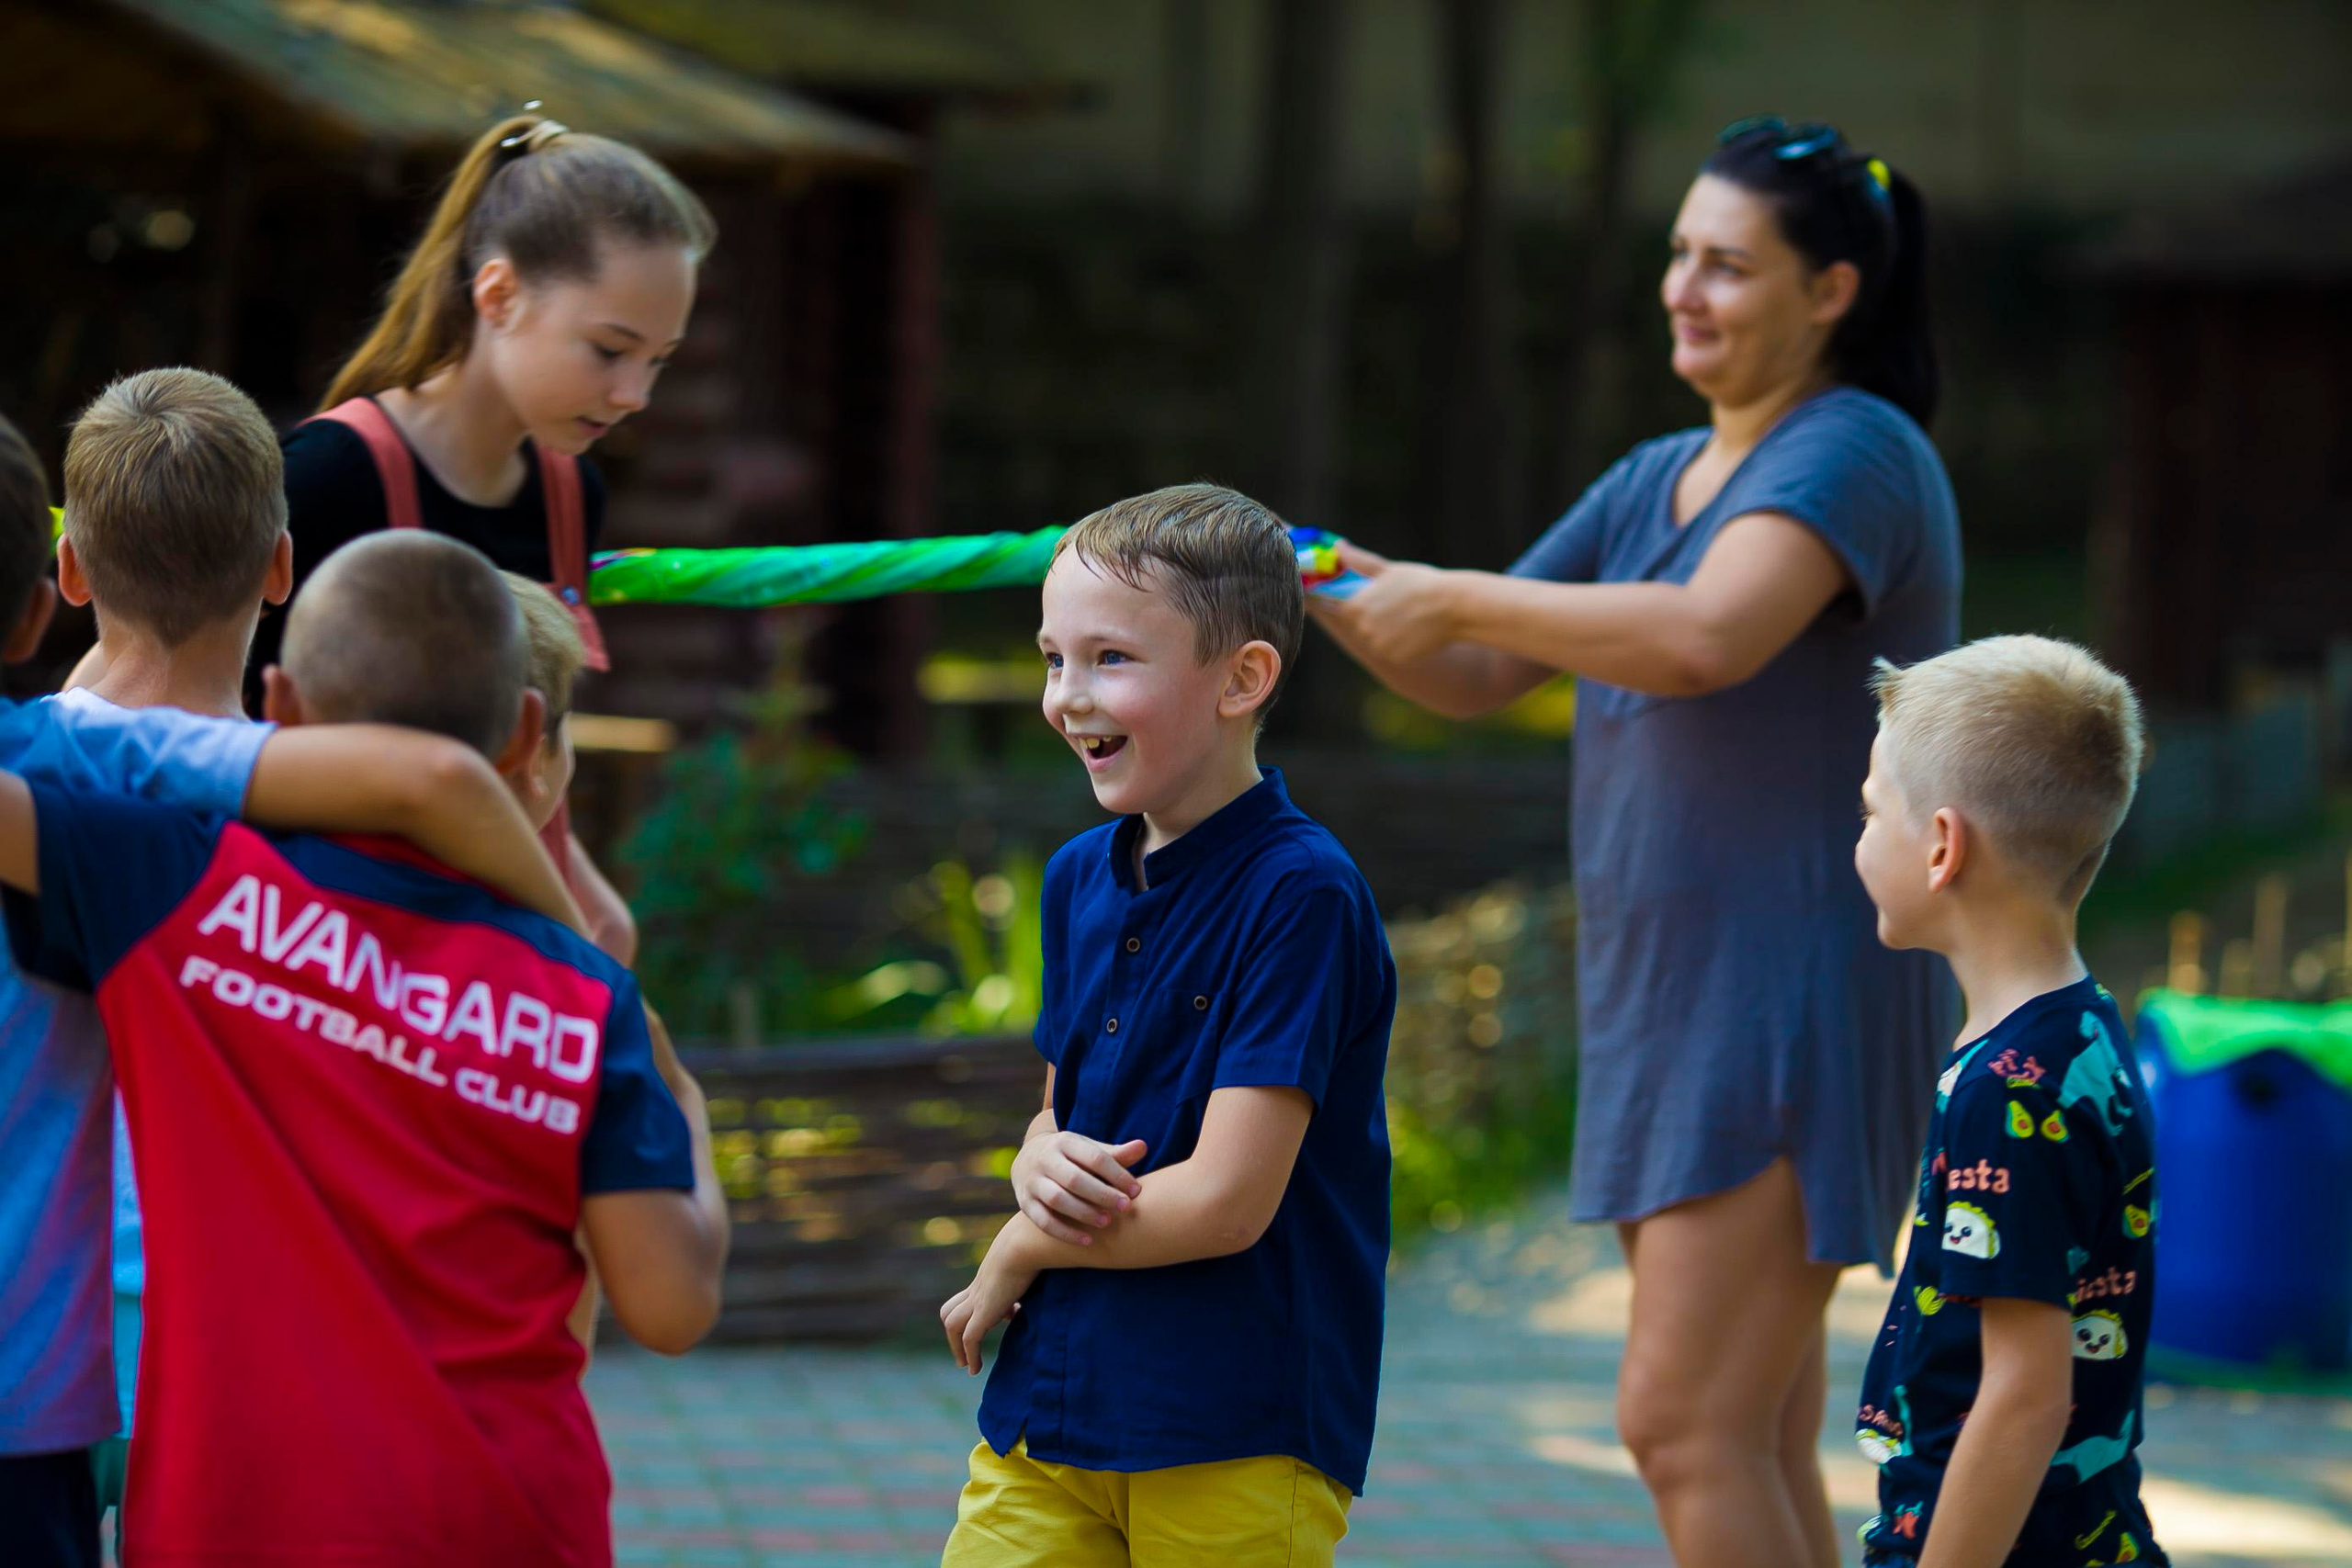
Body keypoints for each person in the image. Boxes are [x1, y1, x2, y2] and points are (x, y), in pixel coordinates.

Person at [1308, 116, 1960, 1565]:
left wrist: (1456, 591)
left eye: (1728, 264)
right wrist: (1304, 573)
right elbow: (1467, 672)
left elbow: (1707, 633)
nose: (1683, 285)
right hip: (1673, 997)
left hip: (1790, 991)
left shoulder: (1855, 448)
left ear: (1831, 292)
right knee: (1742, 1431)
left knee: (1682, 1426)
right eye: (1679, 252)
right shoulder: (1656, 472)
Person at [0, 528, 729, 1566]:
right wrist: (687, 1105)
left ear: (283, 707)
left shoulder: (173, 890)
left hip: (229, 1524)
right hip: (509, 1522)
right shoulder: (585, 1001)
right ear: (528, 733)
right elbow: (669, 1303)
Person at [937, 485, 1397, 1568]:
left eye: (1110, 660)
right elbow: (1062, 1109)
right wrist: (1036, 1159)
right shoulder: (1072, 880)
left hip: (1231, 1429)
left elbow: (1229, 1202)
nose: (1067, 697)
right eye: (1055, 658)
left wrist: (1018, 1245)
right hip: (1051, 1411)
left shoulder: (1304, 895)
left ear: (1243, 679)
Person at [251, 109, 720, 964]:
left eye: (658, 359)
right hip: (332, 943)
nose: (635, 393)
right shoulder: (324, 478)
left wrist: (576, 887)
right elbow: (230, 739)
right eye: (610, 350)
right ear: (498, 295)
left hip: (491, 945)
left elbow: (531, 745)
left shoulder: (572, 493)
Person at [1851, 635, 2162, 1566]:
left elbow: (2026, 1396)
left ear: (1942, 846)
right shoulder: (2076, 1035)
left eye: (1870, 815)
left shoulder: (2008, 1090)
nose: (1858, 839)